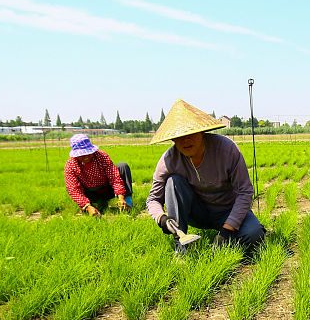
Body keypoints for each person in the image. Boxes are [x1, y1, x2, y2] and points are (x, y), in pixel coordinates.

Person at [147, 99, 265, 253]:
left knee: (254, 234)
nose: (186, 140)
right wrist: (161, 218)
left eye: (190, 133)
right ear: (172, 139)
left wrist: (226, 232)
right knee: (173, 182)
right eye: (179, 136)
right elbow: (153, 199)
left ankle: (222, 247)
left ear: (201, 132)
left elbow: (245, 191)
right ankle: (181, 244)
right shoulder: (169, 160)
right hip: (197, 212)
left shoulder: (227, 149)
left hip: (228, 209)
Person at [64, 134, 132, 215]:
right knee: (69, 187)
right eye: (82, 154)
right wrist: (87, 206)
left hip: (108, 189)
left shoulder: (101, 156)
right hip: (90, 194)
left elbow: (114, 177)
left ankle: (127, 204)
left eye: (88, 153)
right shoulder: (70, 165)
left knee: (123, 166)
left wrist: (121, 197)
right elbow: (74, 189)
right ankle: (89, 206)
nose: (86, 156)